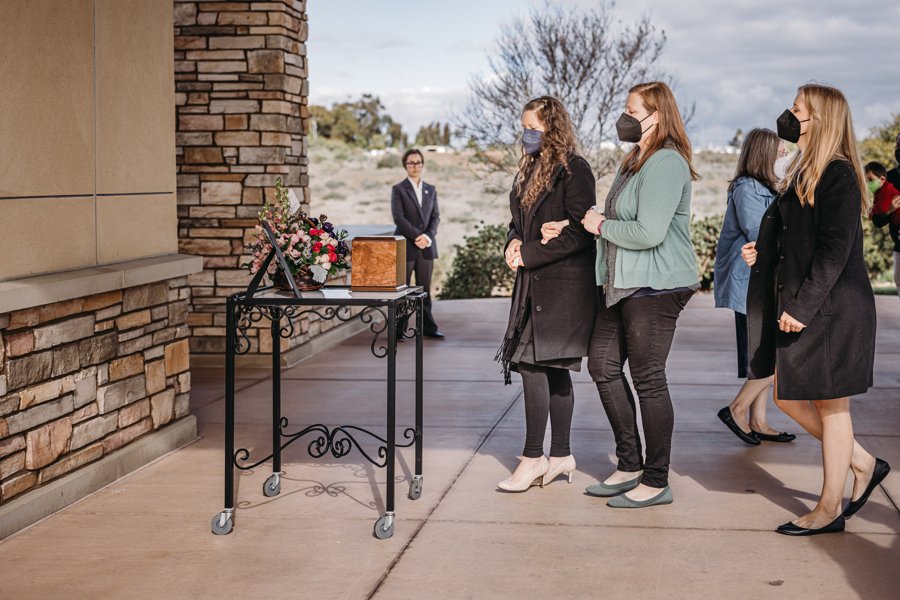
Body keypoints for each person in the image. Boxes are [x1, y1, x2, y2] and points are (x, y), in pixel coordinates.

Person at [742, 84, 890, 536]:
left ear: (819, 120)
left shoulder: (839, 174)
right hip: (813, 304)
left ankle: (830, 509)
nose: (787, 116)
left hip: (831, 309)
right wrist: (764, 253)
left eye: (797, 110)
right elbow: (799, 239)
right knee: (789, 395)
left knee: (831, 407)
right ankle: (862, 463)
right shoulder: (807, 169)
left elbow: (834, 251)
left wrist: (803, 307)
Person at [544, 81, 700, 508]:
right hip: (622, 284)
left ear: (657, 115)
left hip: (656, 286)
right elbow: (607, 217)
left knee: (648, 379)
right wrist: (575, 226)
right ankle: (629, 463)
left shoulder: (667, 163)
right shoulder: (634, 161)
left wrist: (599, 226)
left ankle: (656, 478)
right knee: (603, 365)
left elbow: (648, 232)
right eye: (625, 109)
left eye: (632, 110)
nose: (625, 117)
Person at [494, 96, 597, 492]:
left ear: (551, 129)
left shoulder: (575, 170)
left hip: (563, 288)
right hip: (534, 284)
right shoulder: (530, 169)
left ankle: (533, 458)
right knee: (549, 370)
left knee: (535, 366)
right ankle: (562, 454)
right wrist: (512, 242)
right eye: (524, 127)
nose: (526, 135)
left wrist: (530, 253)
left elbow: (580, 231)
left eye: (533, 128)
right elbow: (517, 220)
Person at [714, 128, 795, 445]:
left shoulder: (766, 187)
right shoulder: (747, 187)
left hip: (761, 281)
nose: (783, 156)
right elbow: (757, 232)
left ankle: (758, 420)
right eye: (779, 151)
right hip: (750, 284)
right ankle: (737, 408)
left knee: (762, 354)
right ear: (764, 153)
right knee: (770, 355)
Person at [391, 149, 444, 339]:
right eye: (411, 163)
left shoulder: (431, 189)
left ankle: (428, 328)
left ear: (422, 164)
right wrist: (417, 237)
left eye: (418, 162)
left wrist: (427, 237)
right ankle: (398, 330)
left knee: (424, 290)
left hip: (427, 248)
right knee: (403, 291)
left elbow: (435, 217)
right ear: (405, 165)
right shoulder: (398, 189)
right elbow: (399, 218)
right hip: (407, 246)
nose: (415, 166)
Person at [864, 161, 900, 299]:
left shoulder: (886, 192)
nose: (868, 184)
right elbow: (878, 218)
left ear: (882, 179)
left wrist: (872, 212)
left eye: (871, 180)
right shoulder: (880, 192)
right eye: (867, 180)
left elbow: (881, 212)